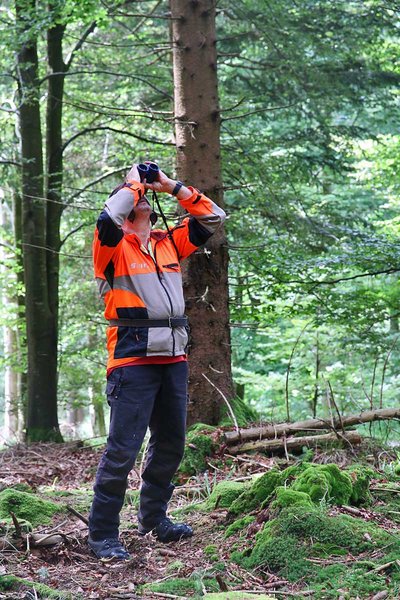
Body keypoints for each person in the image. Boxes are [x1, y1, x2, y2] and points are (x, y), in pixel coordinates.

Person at [88, 162, 226, 561]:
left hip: (174, 357)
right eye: (136, 195)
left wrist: (171, 185)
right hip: (132, 360)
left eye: (145, 194)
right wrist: (133, 182)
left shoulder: (168, 242)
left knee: (170, 443)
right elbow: (108, 216)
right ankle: (102, 535)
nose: (143, 198)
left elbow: (213, 216)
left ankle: (153, 519)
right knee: (122, 450)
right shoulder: (110, 246)